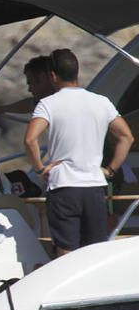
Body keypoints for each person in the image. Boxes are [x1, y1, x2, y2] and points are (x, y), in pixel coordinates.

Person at [24, 48, 135, 256]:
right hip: (94, 186)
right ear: (76, 73)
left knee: (66, 252)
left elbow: (30, 139)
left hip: (64, 187)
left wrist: (39, 169)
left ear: (53, 76)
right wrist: (110, 170)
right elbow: (126, 137)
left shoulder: (48, 104)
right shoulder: (101, 102)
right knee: (94, 252)